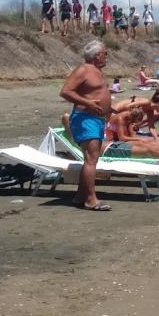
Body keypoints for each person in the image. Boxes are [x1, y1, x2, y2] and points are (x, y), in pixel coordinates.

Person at [59, 40, 112, 211]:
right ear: (97, 56)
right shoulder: (83, 70)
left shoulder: (97, 71)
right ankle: (90, 200)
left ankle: (80, 196)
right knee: (91, 159)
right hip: (85, 118)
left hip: (97, 119)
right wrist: (87, 103)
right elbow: (66, 91)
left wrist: (109, 107)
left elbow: (97, 92)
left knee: (91, 159)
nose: (107, 56)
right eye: (105, 53)